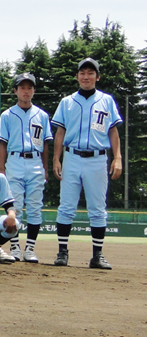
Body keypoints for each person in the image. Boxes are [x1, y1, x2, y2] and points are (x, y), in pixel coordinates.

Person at [51, 58, 122, 269]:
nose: (86, 76)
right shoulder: (67, 102)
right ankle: (62, 252)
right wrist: (56, 158)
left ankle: (97, 255)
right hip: (71, 156)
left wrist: (117, 157)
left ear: (97, 77)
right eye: (82, 73)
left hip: (98, 158)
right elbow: (60, 132)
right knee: (66, 207)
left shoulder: (107, 100)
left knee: (98, 208)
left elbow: (113, 130)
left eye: (91, 73)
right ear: (77, 76)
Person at [0, 73, 52, 262]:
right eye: (22, 87)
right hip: (15, 160)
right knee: (15, 207)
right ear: (15, 91)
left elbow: (45, 145)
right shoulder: (7, 114)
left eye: (29, 87)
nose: (26, 91)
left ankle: (30, 249)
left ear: (34, 90)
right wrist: (2, 169)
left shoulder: (42, 115)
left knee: (35, 207)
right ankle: (15, 247)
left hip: (35, 161)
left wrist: (45, 168)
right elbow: (2, 144)